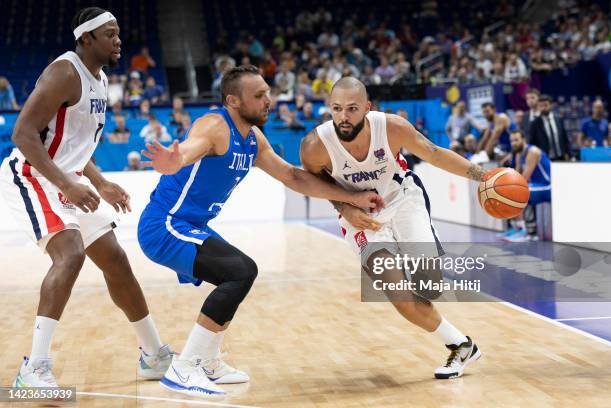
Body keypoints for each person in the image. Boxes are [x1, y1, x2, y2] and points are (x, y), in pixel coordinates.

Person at [137, 65, 383, 398]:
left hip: (191, 226)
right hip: (164, 225)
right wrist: (175, 159)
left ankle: (208, 362)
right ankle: (186, 366)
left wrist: (351, 197)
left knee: (240, 275)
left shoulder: (253, 139)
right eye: (259, 95)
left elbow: (293, 177)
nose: (269, 100)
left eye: (267, 92)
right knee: (240, 271)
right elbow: (190, 148)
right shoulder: (214, 126)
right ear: (233, 101)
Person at [0, 7, 172, 388]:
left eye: (118, 33)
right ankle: (33, 370)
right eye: (110, 33)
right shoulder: (64, 72)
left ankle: (153, 355)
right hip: (31, 174)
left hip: (68, 176)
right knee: (71, 253)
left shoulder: (101, 79)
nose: (118, 40)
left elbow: (79, 143)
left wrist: (100, 182)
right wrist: (66, 184)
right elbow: (23, 135)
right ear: (86, 38)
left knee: (115, 259)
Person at [300, 77, 484, 380]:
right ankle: (461, 345)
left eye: (351, 109)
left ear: (367, 108)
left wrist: (483, 175)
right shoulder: (315, 146)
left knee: (429, 288)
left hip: (402, 199)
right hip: (361, 216)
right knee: (398, 292)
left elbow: (434, 153)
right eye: (336, 109)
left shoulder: (392, 127)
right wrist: (344, 207)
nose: (343, 117)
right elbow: (317, 183)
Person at [501, 129, 551, 242]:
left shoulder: (532, 152)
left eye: (516, 140)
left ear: (523, 140)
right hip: (536, 186)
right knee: (505, 192)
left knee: (516, 192)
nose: (513, 143)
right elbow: (517, 175)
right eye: (511, 141)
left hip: (548, 186)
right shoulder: (519, 153)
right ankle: (516, 227)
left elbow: (524, 178)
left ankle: (526, 232)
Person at [529, 94, 570, 161]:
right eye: (541, 106)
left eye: (545, 105)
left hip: (561, 157)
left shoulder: (558, 119)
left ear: (551, 105)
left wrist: (569, 154)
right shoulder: (535, 123)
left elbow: (565, 139)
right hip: (544, 158)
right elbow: (532, 143)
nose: (543, 108)